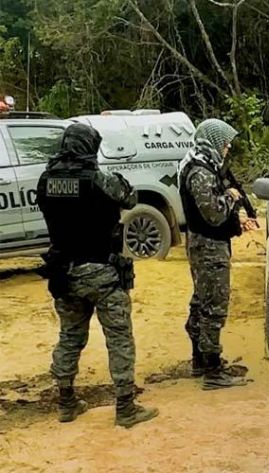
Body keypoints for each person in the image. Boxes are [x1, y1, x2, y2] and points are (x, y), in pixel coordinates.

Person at [37, 123, 158, 428]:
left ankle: (66, 402)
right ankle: (126, 408)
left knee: (69, 337)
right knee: (118, 338)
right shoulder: (97, 179)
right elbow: (129, 197)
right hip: (102, 272)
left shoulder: (46, 179)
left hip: (64, 272)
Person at [179, 118, 258, 390]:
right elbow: (213, 213)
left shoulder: (204, 165)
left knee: (203, 299)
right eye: (224, 143)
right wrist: (232, 196)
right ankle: (212, 369)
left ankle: (201, 359)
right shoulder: (200, 171)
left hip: (208, 242)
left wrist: (236, 221)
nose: (227, 148)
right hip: (208, 246)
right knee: (213, 305)